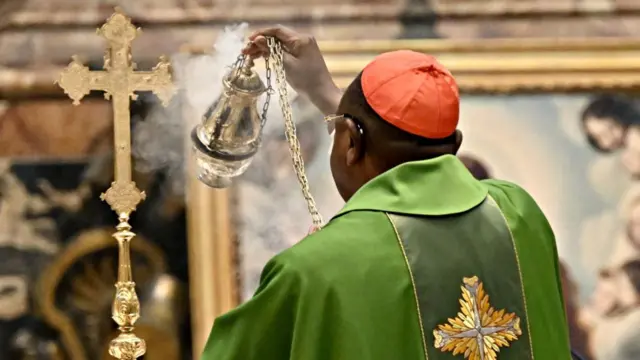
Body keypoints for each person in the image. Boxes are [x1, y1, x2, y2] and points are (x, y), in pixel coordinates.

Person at [201, 26, 572, 360]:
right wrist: (330, 99)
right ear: (456, 142)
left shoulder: (312, 270)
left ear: (349, 141)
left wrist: (326, 252)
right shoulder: (519, 214)